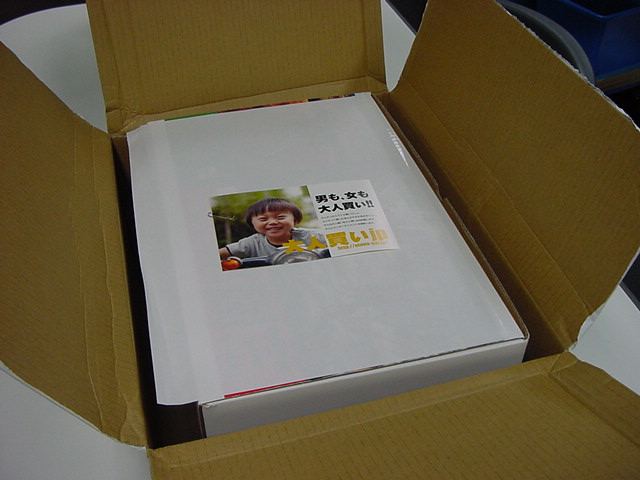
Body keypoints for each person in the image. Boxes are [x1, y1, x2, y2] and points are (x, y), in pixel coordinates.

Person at [218, 197, 326, 260]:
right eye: (263, 219)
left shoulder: (312, 236)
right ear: (252, 224)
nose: (273, 222)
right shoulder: (251, 243)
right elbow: (220, 253)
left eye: (281, 217)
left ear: (295, 220)